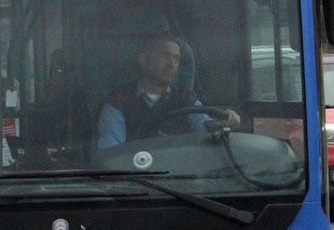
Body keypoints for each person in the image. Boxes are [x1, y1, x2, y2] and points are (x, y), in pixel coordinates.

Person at [96, 34, 239, 149]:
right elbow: (111, 152)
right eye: (164, 56)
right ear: (143, 60)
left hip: (179, 176)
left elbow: (204, 128)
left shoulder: (184, 96)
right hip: (136, 178)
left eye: (176, 60)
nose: (171, 65)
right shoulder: (118, 100)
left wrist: (225, 122)